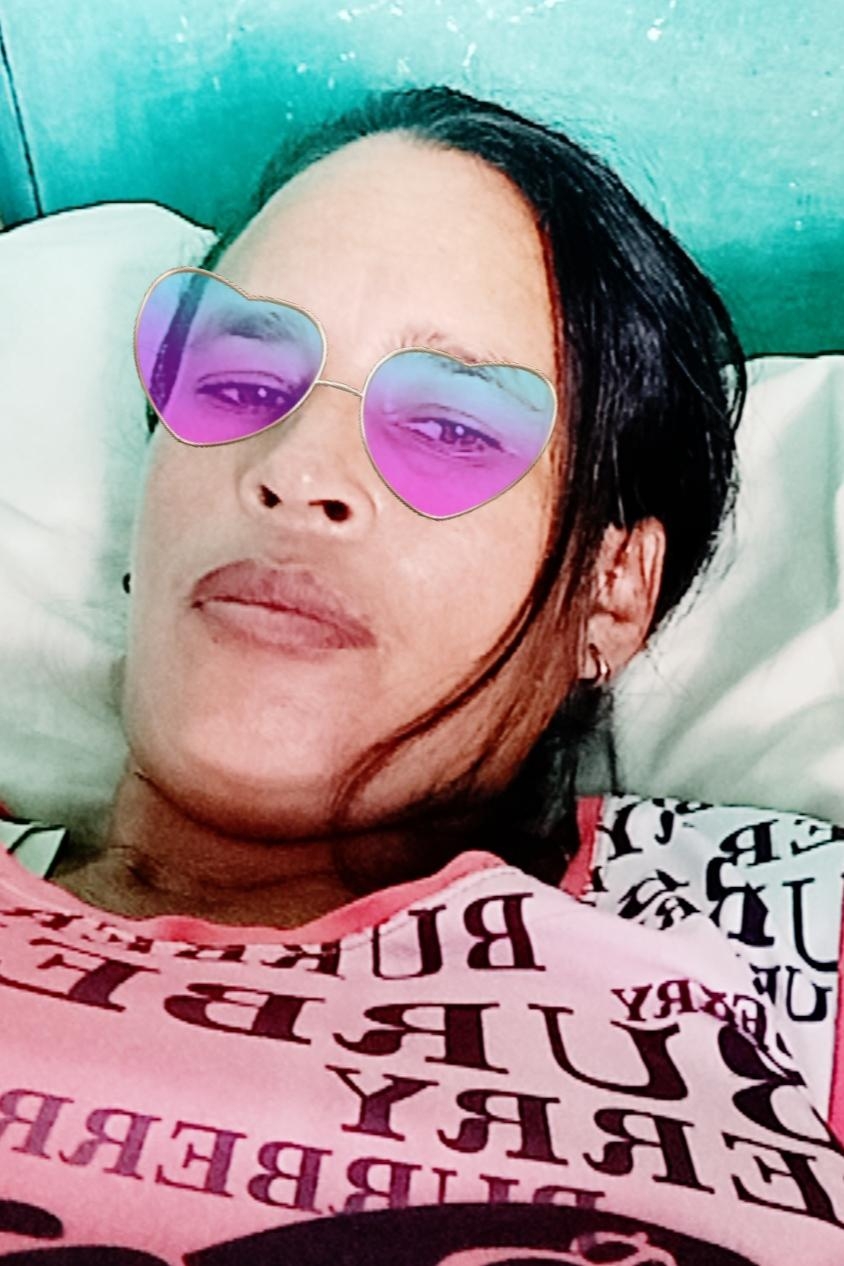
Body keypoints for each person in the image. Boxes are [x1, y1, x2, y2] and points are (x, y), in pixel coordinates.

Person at [0, 84, 842, 1265]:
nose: (297, 469)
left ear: (609, 592)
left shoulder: (783, 933)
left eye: (449, 424)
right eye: (238, 378)